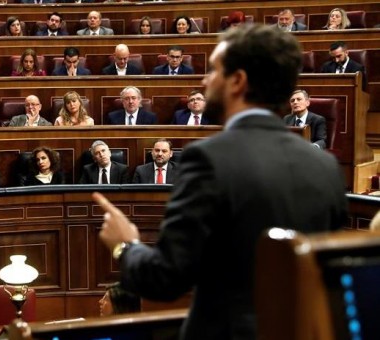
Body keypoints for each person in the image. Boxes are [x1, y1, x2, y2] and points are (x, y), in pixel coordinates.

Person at [93, 25, 348, 340]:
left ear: (237, 81)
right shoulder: (325, 167)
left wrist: (124, 245)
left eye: (213, 70)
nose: (204, 80)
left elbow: (165, 279)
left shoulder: (207, 158)